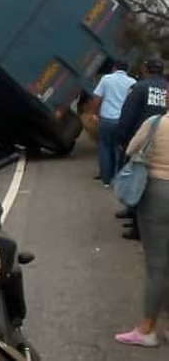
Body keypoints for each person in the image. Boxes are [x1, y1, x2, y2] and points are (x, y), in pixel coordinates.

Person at [114, 113, 169, 347]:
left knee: (157, 266)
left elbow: (130, 150)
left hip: (157, 193)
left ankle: (147, 329)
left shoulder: (155, 122)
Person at [115, 59, 168, 240]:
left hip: (142, 142)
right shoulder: (166, 88)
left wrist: (121, 139)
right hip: (163, 142)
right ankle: (133, 214)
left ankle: (137, 228)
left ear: (145, 69)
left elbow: (127, 115)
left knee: (138, 184)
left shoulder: (140, 88)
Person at [90, 61, 136, 186]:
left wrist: (94, 113)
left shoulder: (106, 79)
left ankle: (106, 180)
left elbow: (97, 97)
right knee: (120, 149)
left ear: (114, 68)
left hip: (107, 119)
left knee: (105, 147)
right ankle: (119, 178)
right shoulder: (132, 82)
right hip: (123, 121)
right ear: (127, 69)